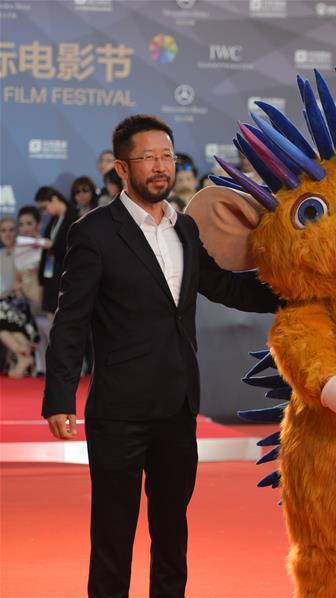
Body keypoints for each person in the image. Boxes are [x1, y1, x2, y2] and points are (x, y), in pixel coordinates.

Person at [41, 114, 280, 598]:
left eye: (166, 156)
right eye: (147, 157)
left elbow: (224, 287)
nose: (160, 166)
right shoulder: (95, 234)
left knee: (172, 532)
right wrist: (59, 396)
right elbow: (71, 322)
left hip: (177, 406)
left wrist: (295, 293)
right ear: (121, 169)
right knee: (113, 534)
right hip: (119, 412)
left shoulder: (186, 228)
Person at [0, 216, 38, 377]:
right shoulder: (0, 254)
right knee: (7, 324)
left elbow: (30, 282)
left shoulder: (26, 252)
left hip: (23, 304)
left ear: (17, 232)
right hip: (4, 305)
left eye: (11, 230)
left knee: (3, 321)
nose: (7, 234)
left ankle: (22, 356)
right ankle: (25, 355)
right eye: (3, 231)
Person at [35, 186, 77, 321]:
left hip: (65, 274)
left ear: (54, 199)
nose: (45, 212)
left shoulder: (73, 216)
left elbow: (73, 247)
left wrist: (52, 245)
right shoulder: (54, 219)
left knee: (62, 316)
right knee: (50, 313)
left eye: (45, 207)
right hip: (50, 274)